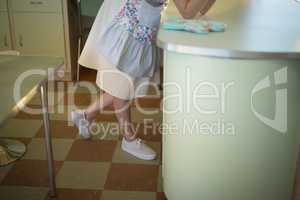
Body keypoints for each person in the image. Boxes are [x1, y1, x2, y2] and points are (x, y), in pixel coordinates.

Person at [72, 0, 216, 160]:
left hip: (140, 20)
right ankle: (128, 139)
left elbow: (197, 10)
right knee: (122, 84)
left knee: (125, 82)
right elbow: (187, 11)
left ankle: (86, 116)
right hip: (130, 22)